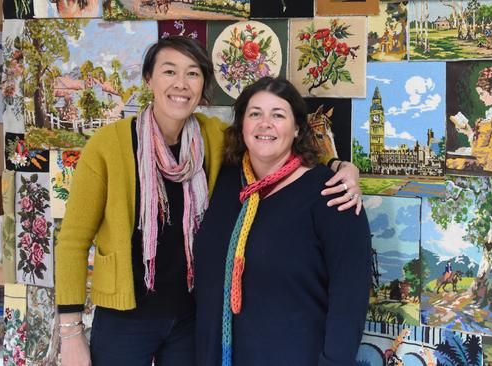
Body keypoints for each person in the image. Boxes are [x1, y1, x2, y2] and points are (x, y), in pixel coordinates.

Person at [54, 37, 362, 366]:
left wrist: (339, 166)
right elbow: (72, 242)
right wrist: (70, 333)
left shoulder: (213, 138)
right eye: (169, 71)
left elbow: (274, 147)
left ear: (203, 85)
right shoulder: (107, 146)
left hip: (191, 321)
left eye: (193, 74)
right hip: (126, 318)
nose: (181, 85)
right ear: (148, 79)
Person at [193, 77, 371, 366]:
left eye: (278, 115)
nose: (265, 123)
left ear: (297, 127)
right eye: (255, 114)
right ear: (242, 126)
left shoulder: (332, 194)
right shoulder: (226, 181)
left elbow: (349, 299)